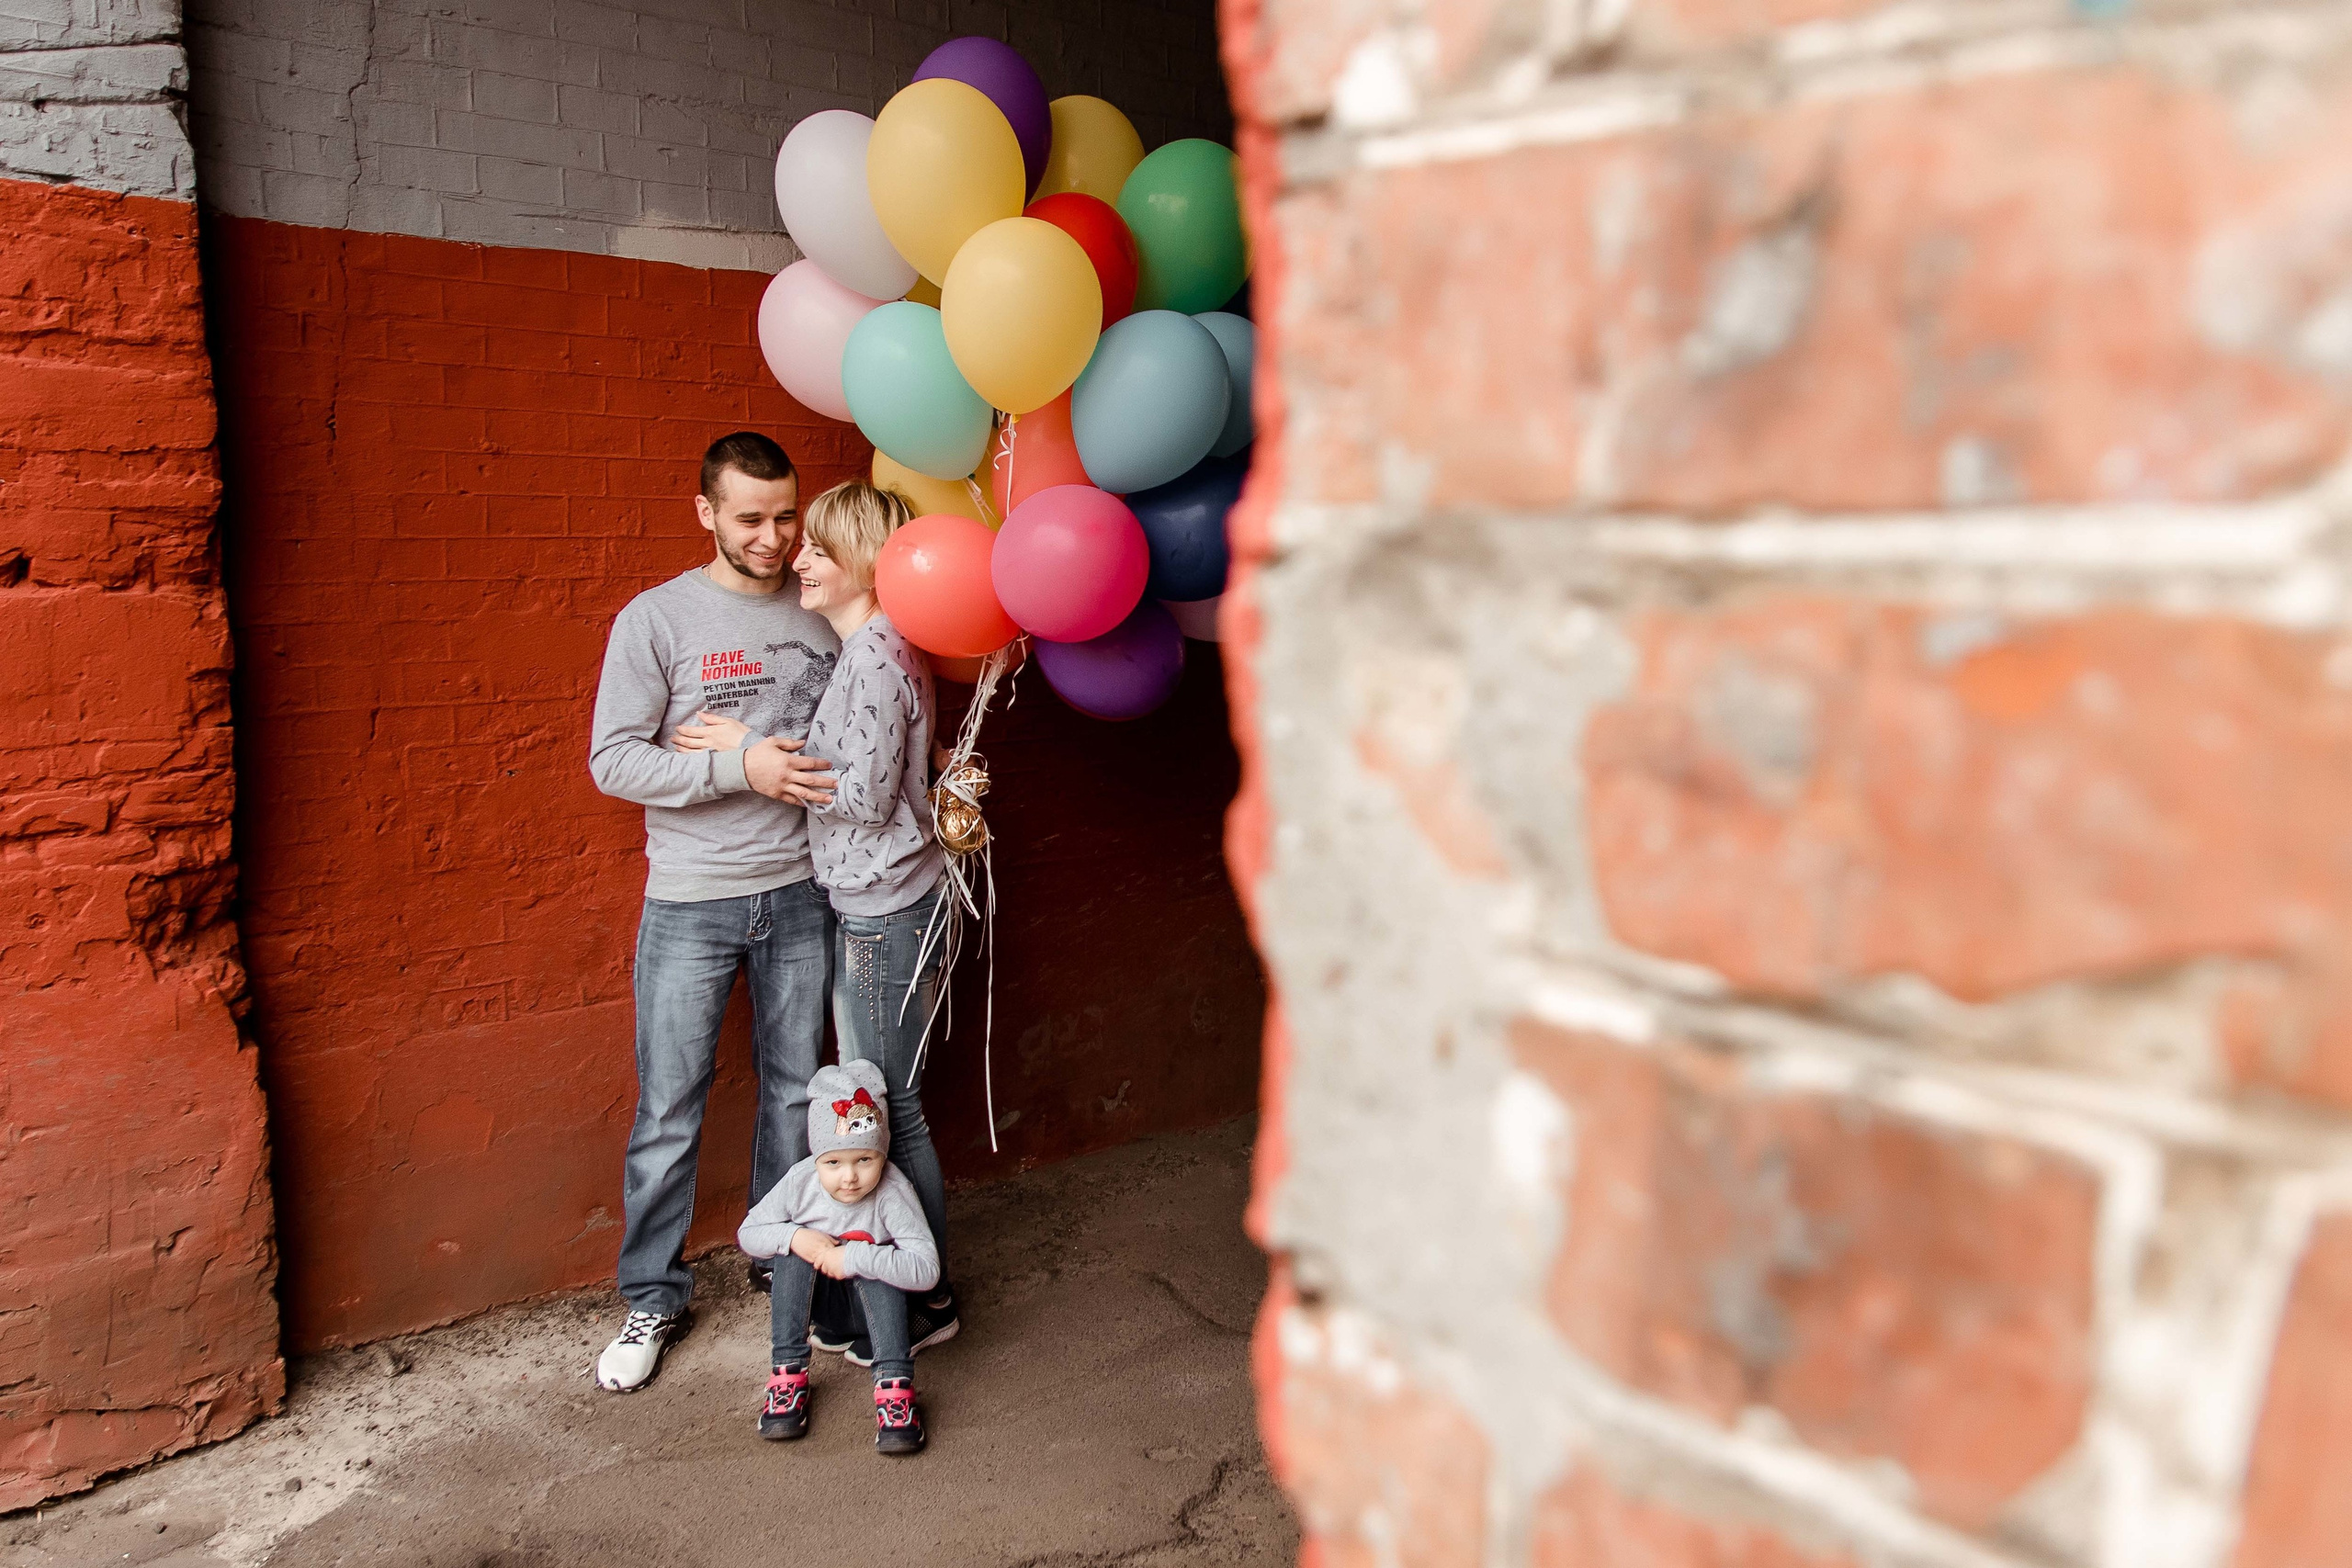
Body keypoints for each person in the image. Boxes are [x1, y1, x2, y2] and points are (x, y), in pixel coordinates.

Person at [679, 479, 961, 1360]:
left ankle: (923, 1295)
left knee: (894, 1109)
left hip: (884, 913)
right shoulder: (873, 648)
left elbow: (869, 797)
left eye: (821, 549)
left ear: (867, 563)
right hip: (879, 905)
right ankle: (916, 1284)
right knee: (892, 1101)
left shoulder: (876, 656)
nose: (799, 556)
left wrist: (751, 760)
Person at [585, 432, 842, 1393]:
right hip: (691, 902)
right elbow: (614, 761)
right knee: (668, 1111)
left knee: (791, 1095)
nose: (774, 538)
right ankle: (651, 1295)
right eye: (750, 519)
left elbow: (847, 739)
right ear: (706, 512)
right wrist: (742, 764)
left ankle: (782, 1264)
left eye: (786, 517)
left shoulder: (821, 608)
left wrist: (780, 758)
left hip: (802, 890)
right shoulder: (655, 621)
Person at [739, 1059, 936, 1453]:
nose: (849, 1177)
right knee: (792, 1250)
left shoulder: (892, 1191)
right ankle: (788, 1377)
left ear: (882, 1154)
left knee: (878, 1259)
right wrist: (796, 1237)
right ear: (816, 1159)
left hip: (875, 1315)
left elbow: (927, 1268)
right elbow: (749, 1235)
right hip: (821, 1307)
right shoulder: (801, 1182)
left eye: (865, 1160)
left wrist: (858, 1258)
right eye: (833, 1163)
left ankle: (894, 1392)